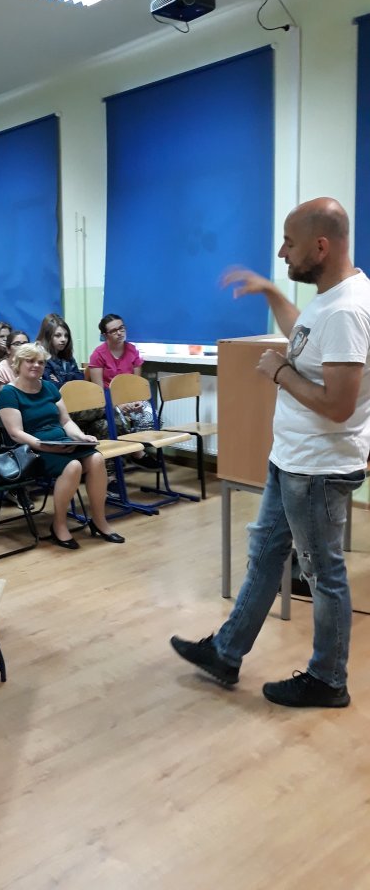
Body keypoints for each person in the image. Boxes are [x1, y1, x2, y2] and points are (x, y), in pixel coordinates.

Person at [171, 197, 370, 708]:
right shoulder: (331, 300)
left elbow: (340, 405)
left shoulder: (347, 309)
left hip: (318, 468)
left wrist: (279, 372)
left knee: (323, 575)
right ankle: (226, 652)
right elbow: (306, 339)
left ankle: (328, 680)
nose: (282, 252)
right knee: (265, 555)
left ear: (321, 246)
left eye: (289, 243)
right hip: (295, 460)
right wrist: (273, 293)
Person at [0, 342, 124, 549]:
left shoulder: (48, 387)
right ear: (18, 363)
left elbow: (65, 421)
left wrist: (81, 436)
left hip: (60, 443)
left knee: (96, 458)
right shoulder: (9, 393)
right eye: (30, 361)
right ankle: (59, 525)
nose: (36, 365)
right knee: (73, 466)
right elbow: (15, 433)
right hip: (31, 450)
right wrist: (43, 446)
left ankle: (99, 520)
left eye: (40, 362)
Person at [86, 314, 158, 468]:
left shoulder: (132, 350)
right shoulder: (98, 355)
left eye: (121, 328)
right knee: (119, 420)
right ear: (105, 335)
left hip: (130, 399)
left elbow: (136, 384)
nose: (119, 333)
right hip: (108, 403)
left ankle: (132, 451)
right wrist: (118, 405)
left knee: (150, 417)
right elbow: (99, 392)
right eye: (114, 331)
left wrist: (137, 401)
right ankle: (136, 453)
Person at [36, 313, 85, 387]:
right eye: (58, 335)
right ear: (47, 336)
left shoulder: (68, 357)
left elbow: (80, 380)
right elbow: (52, 386)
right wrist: (70, 377)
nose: (63, 339)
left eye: (66, 336)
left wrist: (61, 379)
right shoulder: (40, 357)